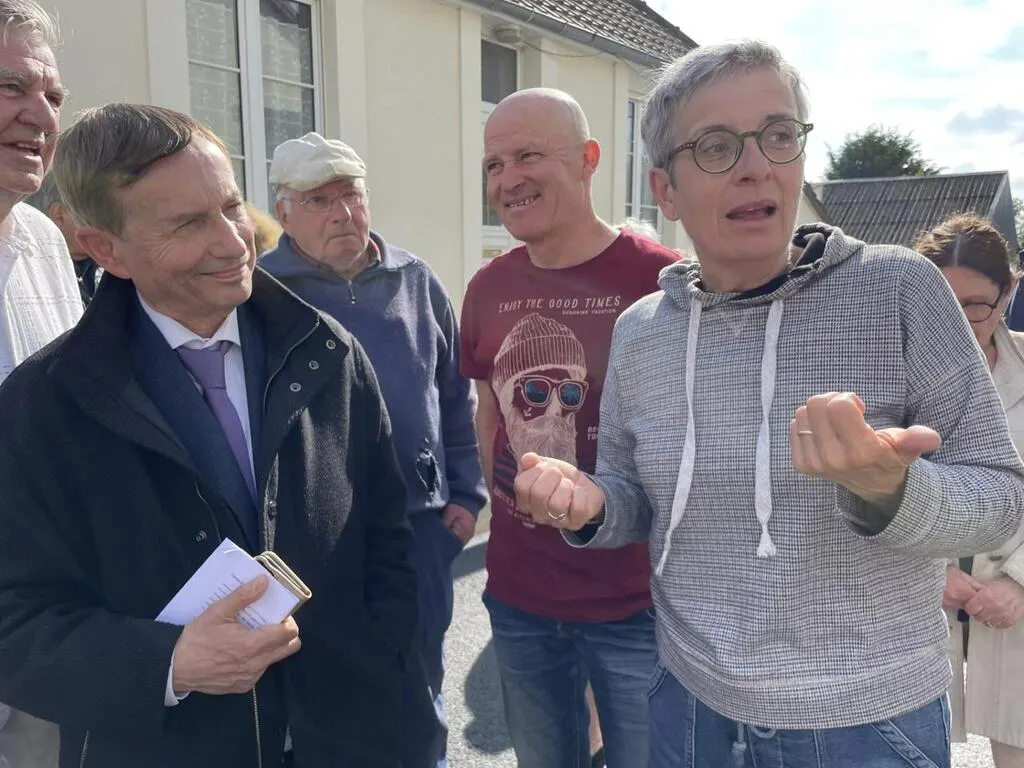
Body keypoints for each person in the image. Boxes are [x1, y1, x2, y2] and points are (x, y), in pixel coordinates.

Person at [513, 41, 1024, 768]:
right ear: (665, 190)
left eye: (778, 135)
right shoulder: (641, 331)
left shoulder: (901, 290)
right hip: (688, 706)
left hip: (865, 724)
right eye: (717, 146)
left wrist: (891, 489)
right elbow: (634, 498)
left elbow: (1002, 498)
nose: (756, 165)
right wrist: (590, 504)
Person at [0, 104, 420, 768]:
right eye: (189, 224)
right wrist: (167, 664)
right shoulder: (41, 408)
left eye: (230, 206)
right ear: (106, 249)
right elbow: (14, 624)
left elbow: (389, 545)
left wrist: (382, 683)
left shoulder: (328, 355)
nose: (232, 243)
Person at [460, 87, 679, 768]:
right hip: (520, 599)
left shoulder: (664, 282)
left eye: (528, 156)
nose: (508, 179)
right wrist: (502, 511)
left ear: (588, 159)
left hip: (638, 604)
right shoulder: (487, 287)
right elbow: (489, 412)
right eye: (494, 165)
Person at [261, 131, 486, 767]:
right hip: (315, 543)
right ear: (284, 213)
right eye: (318, 200)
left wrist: (466, 496)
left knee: (420, 685)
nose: (342, 213)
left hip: (420, 528)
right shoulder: (261, 291)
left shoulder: (415, 280)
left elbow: (454, 393)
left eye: (351, 195)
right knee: (327, 696)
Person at [0, 3, 82, 765]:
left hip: (46, 631)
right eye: (10, 88)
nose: (41, 116)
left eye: (52, 96)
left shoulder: (44, 242)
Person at [915, 213, 1024, 768]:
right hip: (913, 608)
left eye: (976, 305)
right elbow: (861, 489)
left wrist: (1019, 582)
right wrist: (927, 571)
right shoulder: (881, 375)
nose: (957, 323)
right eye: (940, 303)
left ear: (1010, 291)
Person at [25, 172, 102, 307]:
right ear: (59, 215)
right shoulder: (30, 282)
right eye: (97, 207)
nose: (110, 218)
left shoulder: (117, 272)